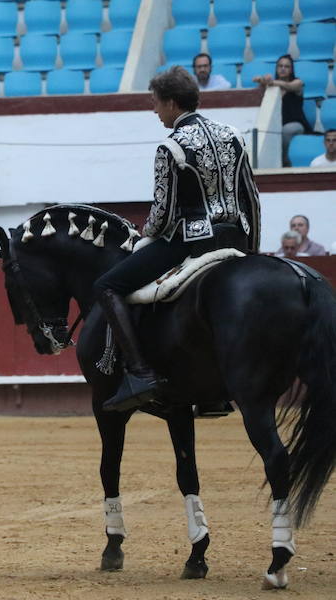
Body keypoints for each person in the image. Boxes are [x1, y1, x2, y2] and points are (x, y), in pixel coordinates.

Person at [93, 66, 260, 413]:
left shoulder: (172, 147)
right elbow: (252, 199)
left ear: (171, 103)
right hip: (236, 237)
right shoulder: (233, 134)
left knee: (107, 285)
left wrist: (145, 234)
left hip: (192, 241)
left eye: (155, 103)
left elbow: (164, 213)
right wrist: (252, 250)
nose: (154, 111)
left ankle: (141, 373)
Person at [252, 54, 312, 167]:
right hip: (275, 126)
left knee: (286, 130)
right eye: (280, 66)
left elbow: (290, 86)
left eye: (287, 66)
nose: (283, 68)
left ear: (291, 70)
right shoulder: (270, 86)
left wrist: (270, 82)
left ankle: (284, 162)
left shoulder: (297, 82)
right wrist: (262, 82)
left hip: (295, 124)